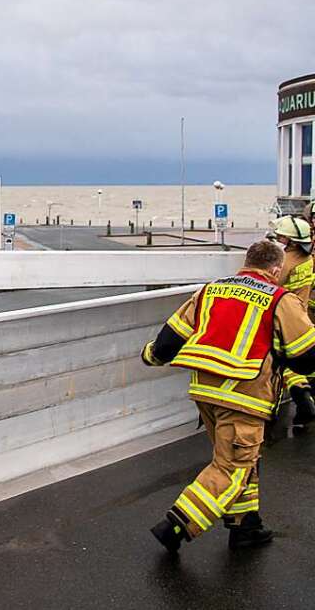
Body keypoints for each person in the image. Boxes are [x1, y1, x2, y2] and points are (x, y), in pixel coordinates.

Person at [142, 240, 315, 553]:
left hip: (204, 392)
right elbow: (306, 356)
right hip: (244, 396)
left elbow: (170, 339)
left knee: (239, 459)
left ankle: (245, 525)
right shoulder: (280, 299)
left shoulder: (211, 290)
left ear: (246, 262)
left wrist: (151, 356)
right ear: (276, 269)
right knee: (231, 467)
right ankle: (177, 525)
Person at [267, 216, 315, 427]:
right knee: (294, 358)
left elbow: (268, 283)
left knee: (277, 361)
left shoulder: (286, 262)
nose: (279, 238)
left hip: (281, 316)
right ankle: (303, 390)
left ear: (291, 241)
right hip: (301, 315)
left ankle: (283, 403)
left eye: (281, 236)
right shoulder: (307, 259)